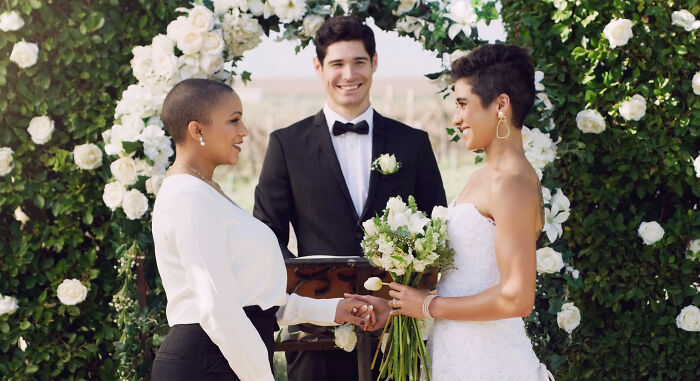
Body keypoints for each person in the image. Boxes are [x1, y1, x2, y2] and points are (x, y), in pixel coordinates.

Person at [253, 15, 447, 381]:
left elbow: (437, 227)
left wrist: (409, 297)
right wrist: (310, 299)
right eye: (337, 64)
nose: (349, 74)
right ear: (318, 67)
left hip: (396, 331)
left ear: (375, 63)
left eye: (359, 62)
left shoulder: (413, 142)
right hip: (315, 329)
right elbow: (266, 235)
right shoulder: (286, 144)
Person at [349, 44, 555, 380]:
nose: (456, 118)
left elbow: (517, 297)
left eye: (462, 104)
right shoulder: (482, 178)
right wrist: (402, 307)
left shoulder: (511, 184)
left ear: (500, 105)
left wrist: (428, 306)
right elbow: (468, 280)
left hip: (491, 364)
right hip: (457, 355)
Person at [150, 78, 376, 381]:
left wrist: (332, 309)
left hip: (228, 357)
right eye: (233, 120)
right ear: (197, 130)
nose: (243, 131)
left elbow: (253, 299)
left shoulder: (206, 191)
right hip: (208, 363)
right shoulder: (188, 197)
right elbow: (217, 308)